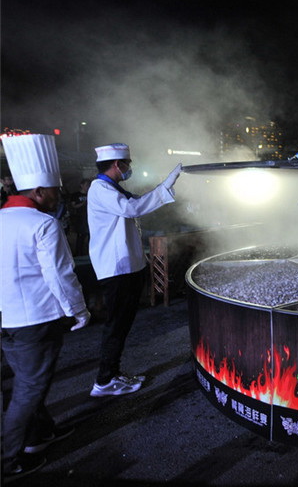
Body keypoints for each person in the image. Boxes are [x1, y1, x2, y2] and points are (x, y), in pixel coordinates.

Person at [0, 134, 91, 480]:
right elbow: (60, 275)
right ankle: (9, 461)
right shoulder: (43, 224)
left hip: (8, 318)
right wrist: (79, 311)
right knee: (28, 390)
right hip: (35, 320)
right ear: (38, 191)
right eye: (54, 189)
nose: (59, 194)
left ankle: (40, 435)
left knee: (28, 381)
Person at [87, 143, 181, 397]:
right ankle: (105, 380)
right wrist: (165, 187)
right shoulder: (101, 189)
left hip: (126, 267)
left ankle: (113, 374)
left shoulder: (112, 189)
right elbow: (133, 208)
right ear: (118, 164)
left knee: (122, 324)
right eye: (128, 163)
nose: (130, 167)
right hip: (117, 270)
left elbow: (135, 204)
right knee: (116, 325)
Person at [69, 178, 91, 256]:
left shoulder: (91, 194)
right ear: (81, 185)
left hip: (89, 218)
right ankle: (79, 253)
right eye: (86, 185)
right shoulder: (76, 195)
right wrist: (83, 203)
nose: (88, 187)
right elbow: (73, 206)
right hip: (80, 218)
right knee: (81, 236)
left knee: (90, 236)